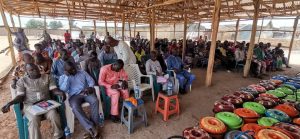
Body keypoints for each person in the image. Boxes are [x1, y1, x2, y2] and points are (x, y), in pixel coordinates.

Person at [2, 63, 65, 139]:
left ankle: (58, 136)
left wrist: (60, 92)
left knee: (54, 115)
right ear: (27, 72)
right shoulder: (22, 81)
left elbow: (54, 89)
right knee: (34, 120)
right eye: (31, 70)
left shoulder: (47, 77)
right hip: (30, 105)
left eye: (35, 68)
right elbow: (20, 96)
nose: (34, 70)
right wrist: (10, 103)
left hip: (46, 104)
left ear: (38, 68)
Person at [58, 61, 100, 138]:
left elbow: (91, 81)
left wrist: (90, 87)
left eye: (74, 68)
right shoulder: (63, 77)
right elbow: (63, 89)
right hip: (74, 96)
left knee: (95, 101)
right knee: (75, 107)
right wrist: (67, 77)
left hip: (85, 92)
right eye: (71, 70)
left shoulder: (82, 72)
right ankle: (91, 127)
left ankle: (94, 126)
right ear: (66, 71)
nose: (74, 70)